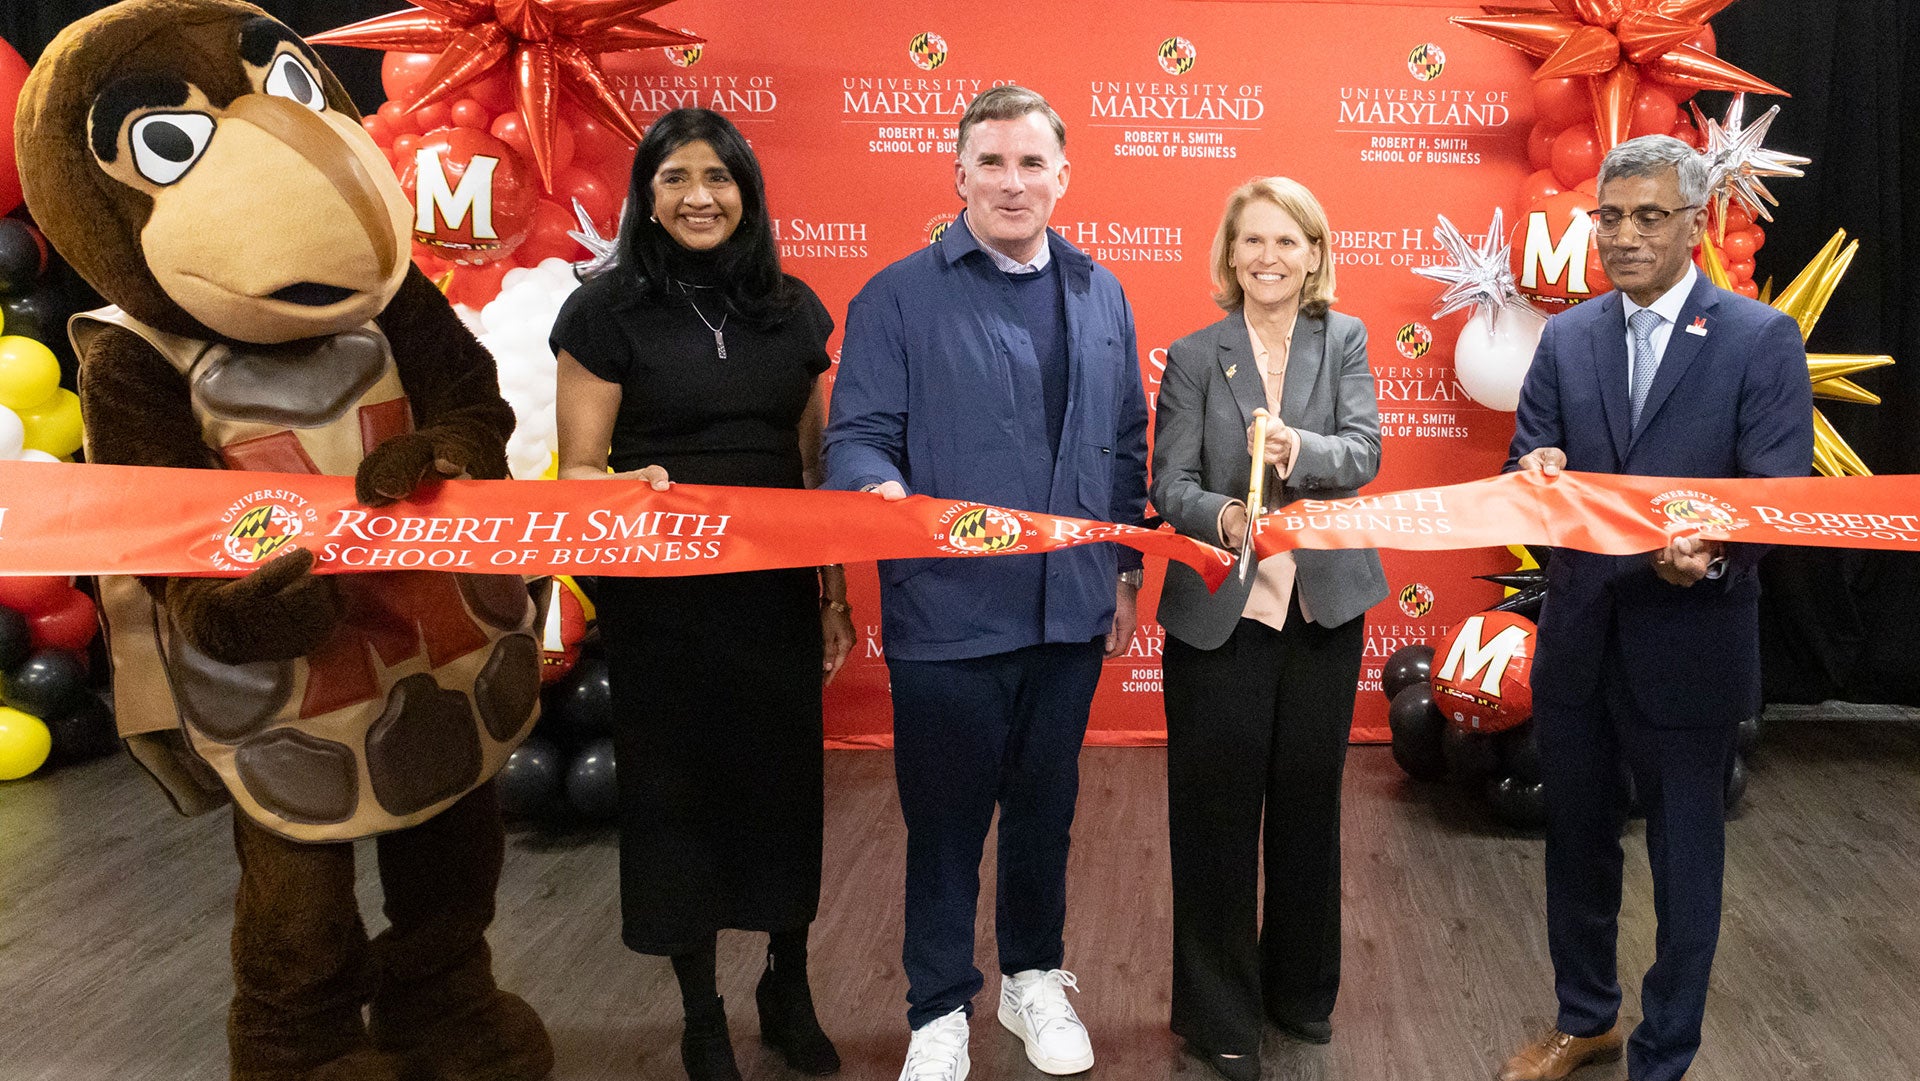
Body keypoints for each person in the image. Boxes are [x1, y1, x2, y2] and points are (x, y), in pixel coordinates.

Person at [823, 84, 1149, 1081]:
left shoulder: (1102, 292)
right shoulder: (894, 297)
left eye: (1032, 163)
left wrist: (1125, 569)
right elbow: (858, 436)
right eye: (993, 162)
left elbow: (1126, 441)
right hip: (947, 614)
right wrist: (877, 488)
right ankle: (936, 1008)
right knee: (945, 824)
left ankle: (1033, 977)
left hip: (1068, 609)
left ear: (1063, 176)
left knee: (1046, 814)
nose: (1013, 182)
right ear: (959, 172)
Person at [1496, 135, 1813, 1081]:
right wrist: (1536, 469)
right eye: (1610, 217)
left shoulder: (1759, 337)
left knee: (1685, 864)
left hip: (1691, 645)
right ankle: (1584, 1017)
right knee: (1577, 847)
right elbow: (1526, 463)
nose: (1625, 235)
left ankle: (1664, 1053)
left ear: (1695, 222)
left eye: (1648, 216)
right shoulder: (1567, 337)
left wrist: (1712, 556)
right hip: (1579, 641)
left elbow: (1776, 494)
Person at [550, 107, 856, 1081]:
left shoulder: (793, 310)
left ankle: (786, 985)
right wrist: (620, 488)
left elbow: (815, 471)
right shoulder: (603, 314)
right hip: (663, 604)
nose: (699, 196)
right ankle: (702, 1012)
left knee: (782, 792)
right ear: (647, 197)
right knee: (678, 798)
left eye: (718, 177)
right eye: (676, 177)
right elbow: (578, 469)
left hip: (772, 596)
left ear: (746, 194)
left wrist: (832, 596)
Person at [1149, 177, 1388, 1081]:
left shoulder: (1345, 338)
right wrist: (1222, 516)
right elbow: (1169, 483)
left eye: (1287, 241)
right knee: (1214, 814)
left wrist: (1298, 449)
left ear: (1314, 253)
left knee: (1308, 804)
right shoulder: (1194, 354)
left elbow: (1364, 449)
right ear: (1230, 253)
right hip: (1223, 614)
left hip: (1322, 609)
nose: (1268, 257)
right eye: (1252, 240)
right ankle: (1219, 1014)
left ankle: (1300, 992)